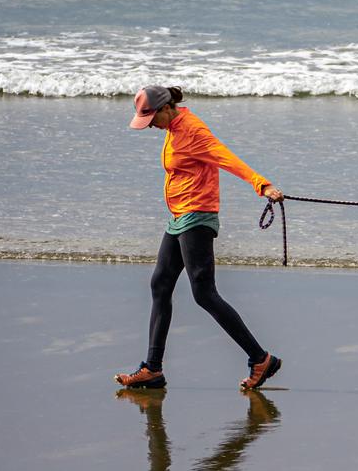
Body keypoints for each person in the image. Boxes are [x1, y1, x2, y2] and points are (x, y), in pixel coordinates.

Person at [115, 85, 283, 390]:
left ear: (166, 108)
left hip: (197, 215)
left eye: (152, 118)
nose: (151, 125)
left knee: (204, 293)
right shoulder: (173, 126)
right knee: (160, 284)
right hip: (180, 216)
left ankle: (261, 358)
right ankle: (153, 368)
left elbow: (224, 156)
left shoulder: (192, 130)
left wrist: (262, 184)